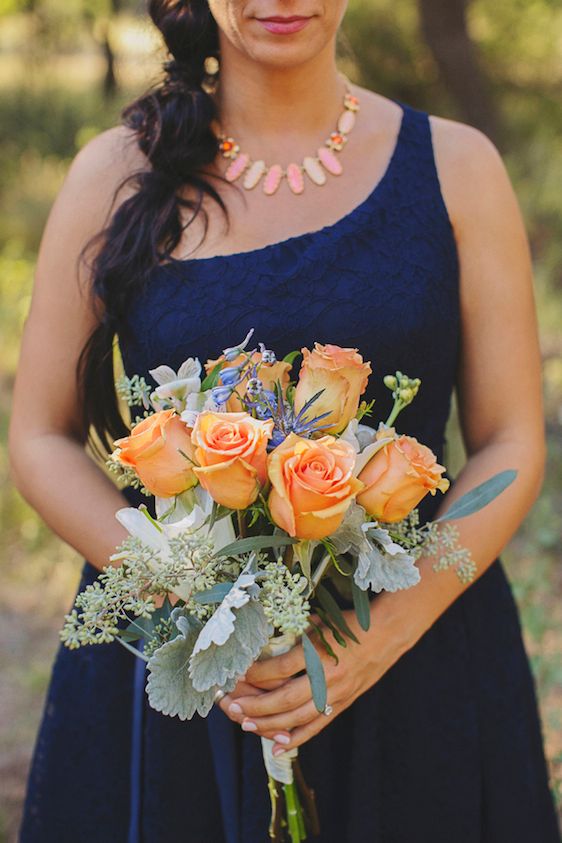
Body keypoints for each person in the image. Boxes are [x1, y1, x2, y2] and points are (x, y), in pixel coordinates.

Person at [9, 1, 561, 841]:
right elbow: (41, 437)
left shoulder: (457, 167)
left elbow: (511, 439)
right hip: (185, 686)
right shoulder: (113, 175)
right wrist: (197, 603)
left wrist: (380, 634)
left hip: (418, 666)